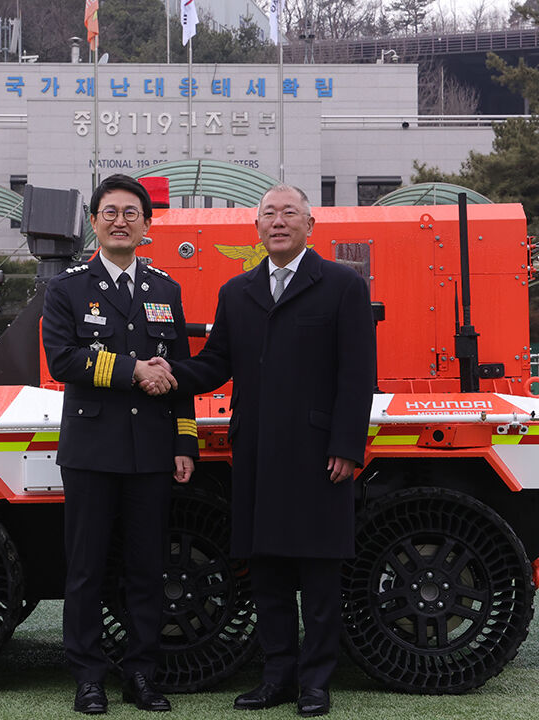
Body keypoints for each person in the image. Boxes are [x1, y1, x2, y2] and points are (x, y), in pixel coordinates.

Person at [145, 184, 375, 717]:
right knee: (267, 575)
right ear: (256, 229)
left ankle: (315, 683)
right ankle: (277, 679)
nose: (278, 221)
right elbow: (215, 363)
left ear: (310, 226)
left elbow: (358, 373)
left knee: (319, 578)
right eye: (268, 214)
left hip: (321, 455)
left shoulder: (342, 285)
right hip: (256, 453)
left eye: (289, 213)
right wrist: (166, 373)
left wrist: (347, 445)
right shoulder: (237, 292)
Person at [41, 174, 198, 715]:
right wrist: (134, 370)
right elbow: (63, 360)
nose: (121, 220)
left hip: (153, 450)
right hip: (92, 450)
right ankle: (88, 678)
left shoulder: (166, 291)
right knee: (85, 567)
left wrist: (185, 441)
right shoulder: (66, 289)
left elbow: (178, 373)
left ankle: (142, 674)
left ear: (147, 225)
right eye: (110, 212)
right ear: (94, 221)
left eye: (132, 212)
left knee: (146, 569)